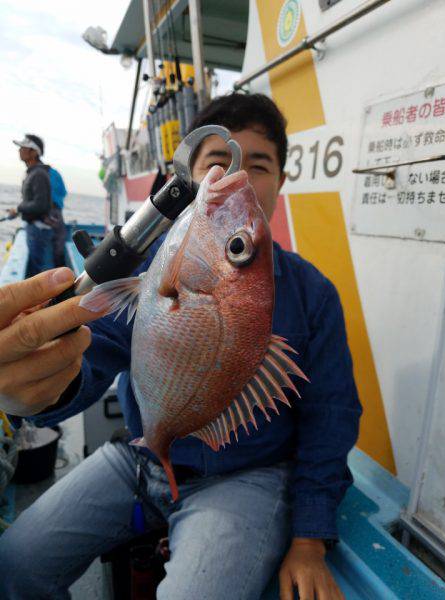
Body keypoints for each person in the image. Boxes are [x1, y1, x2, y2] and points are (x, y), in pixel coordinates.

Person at [0, 94, 361, 600]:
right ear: (186, 181)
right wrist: (39, 387)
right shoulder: (144, 273)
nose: (241, 177)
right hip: (140, 456)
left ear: (280, 181)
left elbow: (332, 415)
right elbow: (92, 354)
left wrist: (309, 538)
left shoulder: (314, 294)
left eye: (260, 165)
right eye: (219, 161)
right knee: (16, 562)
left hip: (244, 477)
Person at [9, 134, 54, 277]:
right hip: (35, 228)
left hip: (37, 230)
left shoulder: (38, 174)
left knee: (38, 269)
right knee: (37, 267)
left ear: (34, 152)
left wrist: (18, 208)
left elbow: (41, 205)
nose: (20, 150)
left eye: (24, 147)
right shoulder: (35, 173)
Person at [48, 166, 68, 267]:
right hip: (56, 211)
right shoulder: (55, 173)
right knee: (60, 239)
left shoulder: (37, 173)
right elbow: (64, 192)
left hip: (50, 211)